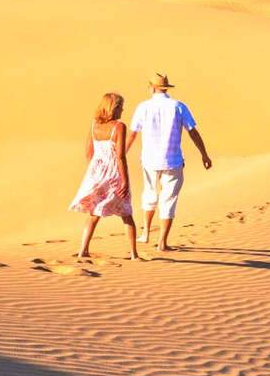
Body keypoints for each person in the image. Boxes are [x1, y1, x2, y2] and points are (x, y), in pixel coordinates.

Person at [126, 73, 212, 252]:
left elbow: (132, 134)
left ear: (152, 88)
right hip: (172, 160)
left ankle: (145, 233)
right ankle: (162, 243)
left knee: (149, 194)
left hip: (149, 160)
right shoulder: (178, 106)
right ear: (165, 88)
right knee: (169, 200)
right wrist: (204, 154)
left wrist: (121, 154)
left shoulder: (143, 107)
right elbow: (192, 131)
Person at [69, 92, 139, 260]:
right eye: (121, 107)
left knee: (94, 213)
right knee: (126, 213)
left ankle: (83, 251)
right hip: (114, 173)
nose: (123, 110)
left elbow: (88, 152)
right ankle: (134, 254)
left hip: (96, 173)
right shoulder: (119, 126)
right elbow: (120, 156)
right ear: (113, 108)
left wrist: (95, 171)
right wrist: (125, 180)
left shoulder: (94, 125)